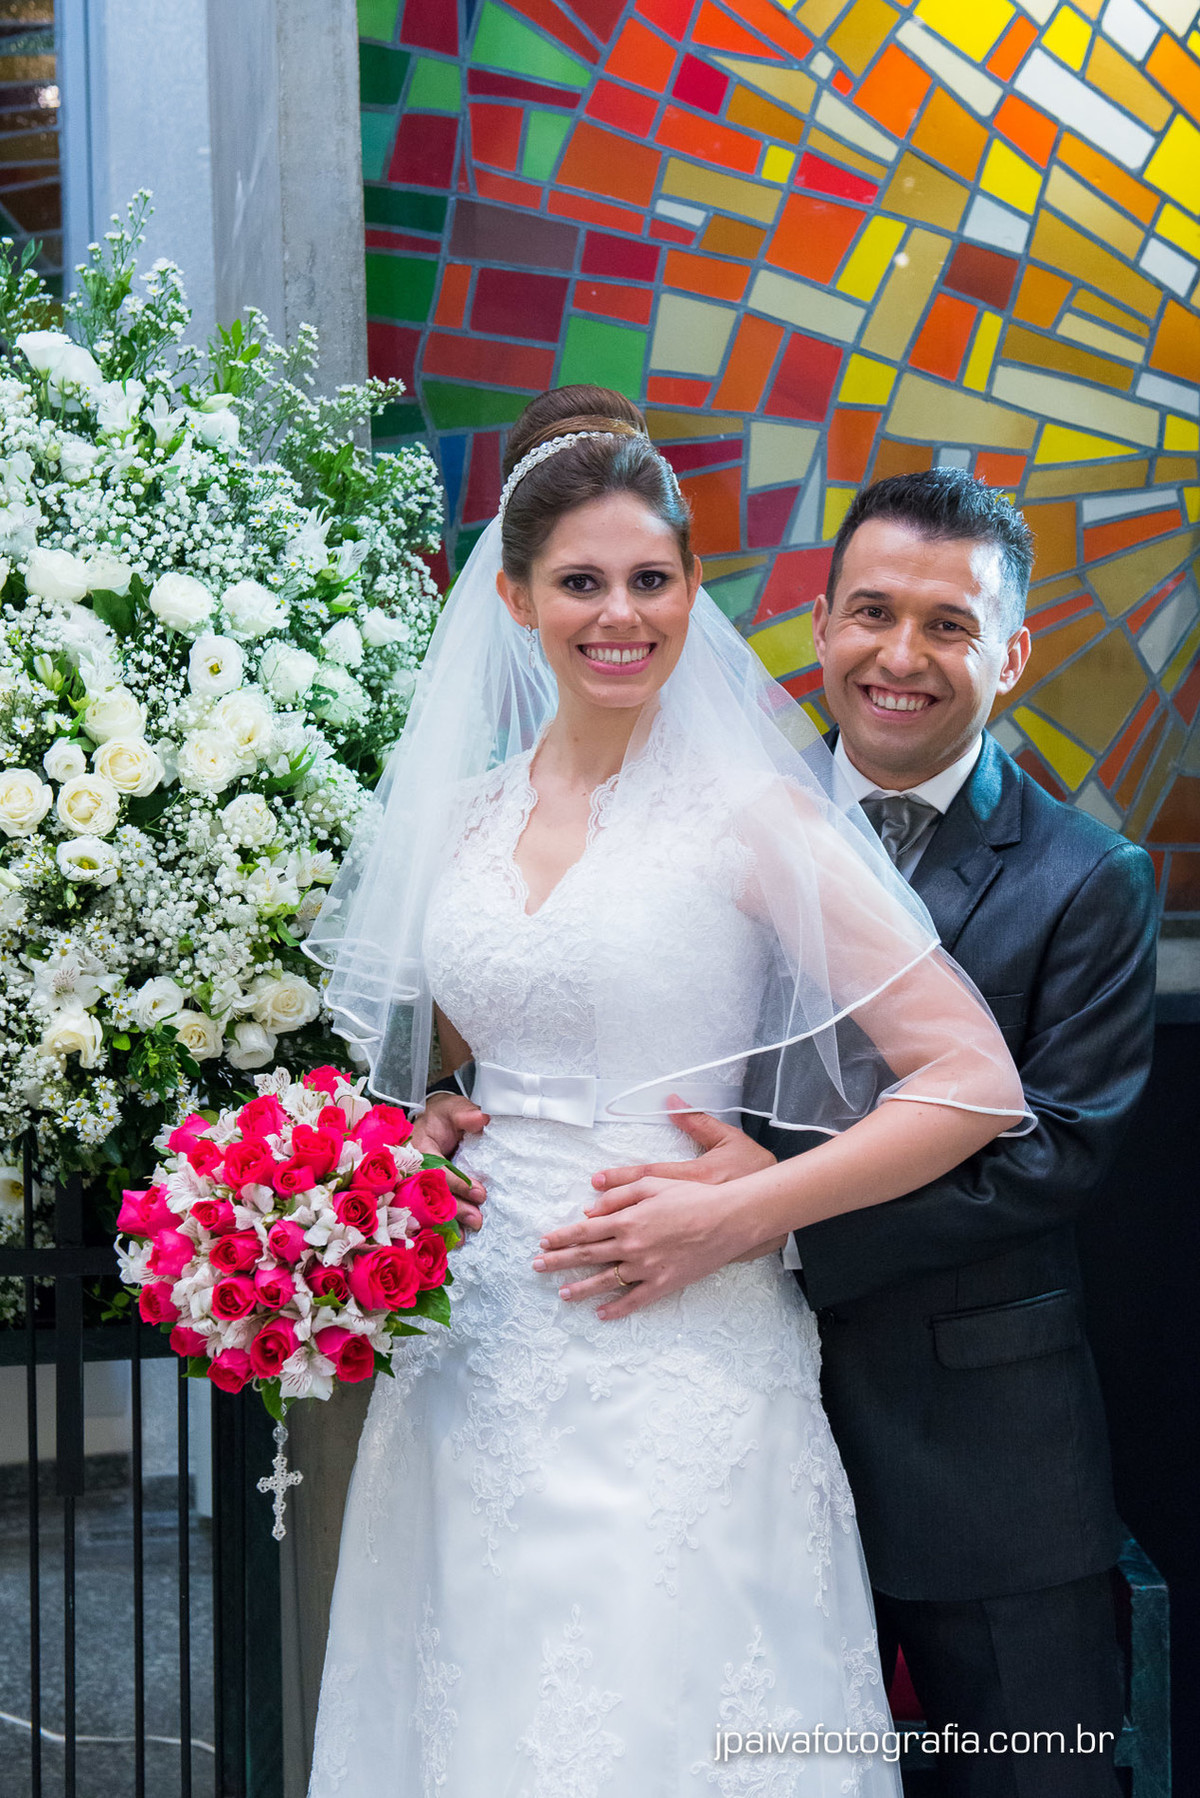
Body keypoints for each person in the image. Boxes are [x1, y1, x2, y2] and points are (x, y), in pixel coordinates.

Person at [303, 392, 1029, 1797]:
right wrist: (429, 1121)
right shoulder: (460, 818)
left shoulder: (753, 816)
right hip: (472, 1348)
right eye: (581, 582)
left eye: (652, 579)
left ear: (695, 588)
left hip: (682, 1343)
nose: (620, 615)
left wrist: (748, 1213)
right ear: (515, 597)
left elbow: (972, 1078)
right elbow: (456, 1051)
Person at [531, 469, 1158, 1797]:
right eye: (872, 612)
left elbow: (1054, 1150)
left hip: (978, 1452)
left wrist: (768, 1220)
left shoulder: (1087, 878)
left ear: (1012, 655)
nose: (901, 656)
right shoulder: (694, 821)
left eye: (949, 624)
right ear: (819, 628)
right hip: (708, 1424)